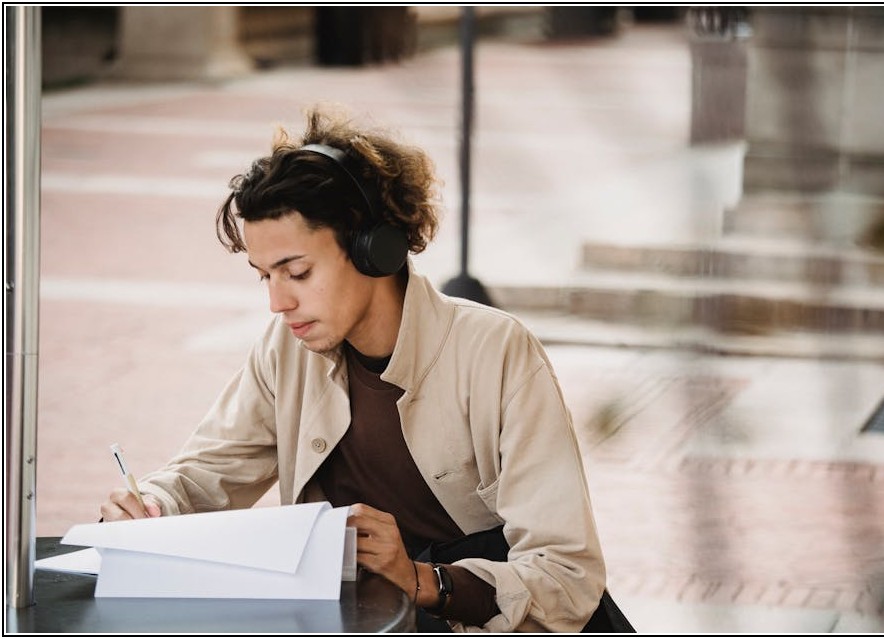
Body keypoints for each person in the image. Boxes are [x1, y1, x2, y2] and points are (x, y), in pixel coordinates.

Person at [100, 105, 607, 633]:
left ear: (373, 249)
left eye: (297, 272)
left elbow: (566, 575)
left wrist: (420, 579)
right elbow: (207, 473)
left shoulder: (496, 351)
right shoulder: (285, 347)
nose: (277, 303)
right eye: (265, 276)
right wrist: (150, 504)